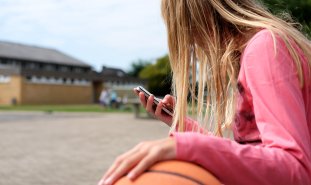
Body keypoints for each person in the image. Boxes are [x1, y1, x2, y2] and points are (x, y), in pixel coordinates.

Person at [98, 0, 311, 184]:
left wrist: (188, 147)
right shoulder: (257, 50)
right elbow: (255, 155)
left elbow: (297, 169)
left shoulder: (264, 48)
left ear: (194, 20)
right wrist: (182, 125)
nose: (192, 44)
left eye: (183, 31)